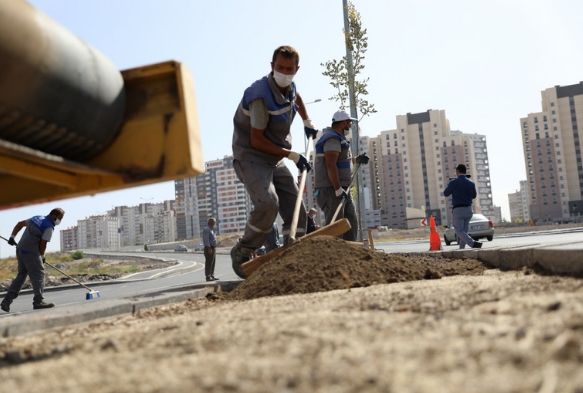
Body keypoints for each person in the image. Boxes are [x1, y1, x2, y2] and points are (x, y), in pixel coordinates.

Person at [230, 45, 318, 276]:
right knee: (269, 203)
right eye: (280, 68)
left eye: (289, 69)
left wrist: (306, 121)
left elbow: (295, 96)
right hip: (251, 156)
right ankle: (244, 249)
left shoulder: (289, 85)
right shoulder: (260, 96)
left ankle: (296, 252)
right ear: (272, 66)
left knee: (295, 204)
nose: (284, 73)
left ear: (296, 70)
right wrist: (293, 155)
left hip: (274, 156)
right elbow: (257, 141)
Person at [314, 110, 369, 241]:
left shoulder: (338, 138)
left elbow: (340, 160)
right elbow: (330, 164)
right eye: (349, 122)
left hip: (341, 188)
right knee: (336, 227)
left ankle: (350, 255)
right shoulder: (332, 138)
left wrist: (356, 160)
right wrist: (338, 189)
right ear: (343, 123)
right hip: (332, 189)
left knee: (350, 222)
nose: (350, 125)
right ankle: (331, 258)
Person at [1, 208, 65, 312]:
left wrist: (12, 237)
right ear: (54, 216)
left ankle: (6, 301)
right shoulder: (49, 226)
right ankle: (38, 301)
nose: (60, 221)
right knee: (39, 275)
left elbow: (19, 224)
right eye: (60, 218)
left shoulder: (36, 218)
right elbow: (43, 244)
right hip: (31, 252)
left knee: (21, 276)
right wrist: (42, 256)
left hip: (20, 249)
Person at [443, 164, 482, 249]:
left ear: (457, 171)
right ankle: (461, 249)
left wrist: (451, 185)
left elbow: (446, 193)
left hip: (458, 210)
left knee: (458, 230)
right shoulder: (471, 182)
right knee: (464, 231)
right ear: (465, 171)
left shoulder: (453, 182)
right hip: (469, 209)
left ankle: (473, 243)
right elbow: (474, 196)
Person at [202, 217, 218, 282]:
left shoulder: (211, 229)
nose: (215, 223)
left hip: (213, 247)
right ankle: (208, 276)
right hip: (209, 248)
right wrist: (209, 248)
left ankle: (212, 275)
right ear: (211, 222)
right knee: (209, 262)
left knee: (213, 262)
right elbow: (206, 239)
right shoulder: (207, 229)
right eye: (214, 222)